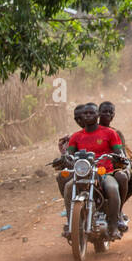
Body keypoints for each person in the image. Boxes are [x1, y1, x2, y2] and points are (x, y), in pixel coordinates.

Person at [52, 102, 123, 240]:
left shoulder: (110, 133)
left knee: (113, 189)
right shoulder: (76, 136)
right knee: (68, 188)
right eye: (85, 113)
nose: (88, 115)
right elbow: (69, 154)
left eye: (91, 113)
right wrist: (63, 158)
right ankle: (70, 223)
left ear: (97, 115)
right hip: (83, 173)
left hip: (104, 172)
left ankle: (114, 226)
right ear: (81, 117)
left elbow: (118, 151)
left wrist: (118, 157)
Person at [97, 101, 132, 233]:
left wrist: (127, 166)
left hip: (114, 167)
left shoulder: (116, 133)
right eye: (104, 111)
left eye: (111, 112)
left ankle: (118, 211)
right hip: (95, 168)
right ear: (98, 113)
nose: (107, 114)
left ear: (114, 116)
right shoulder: (90, 130)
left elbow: (122, 153)